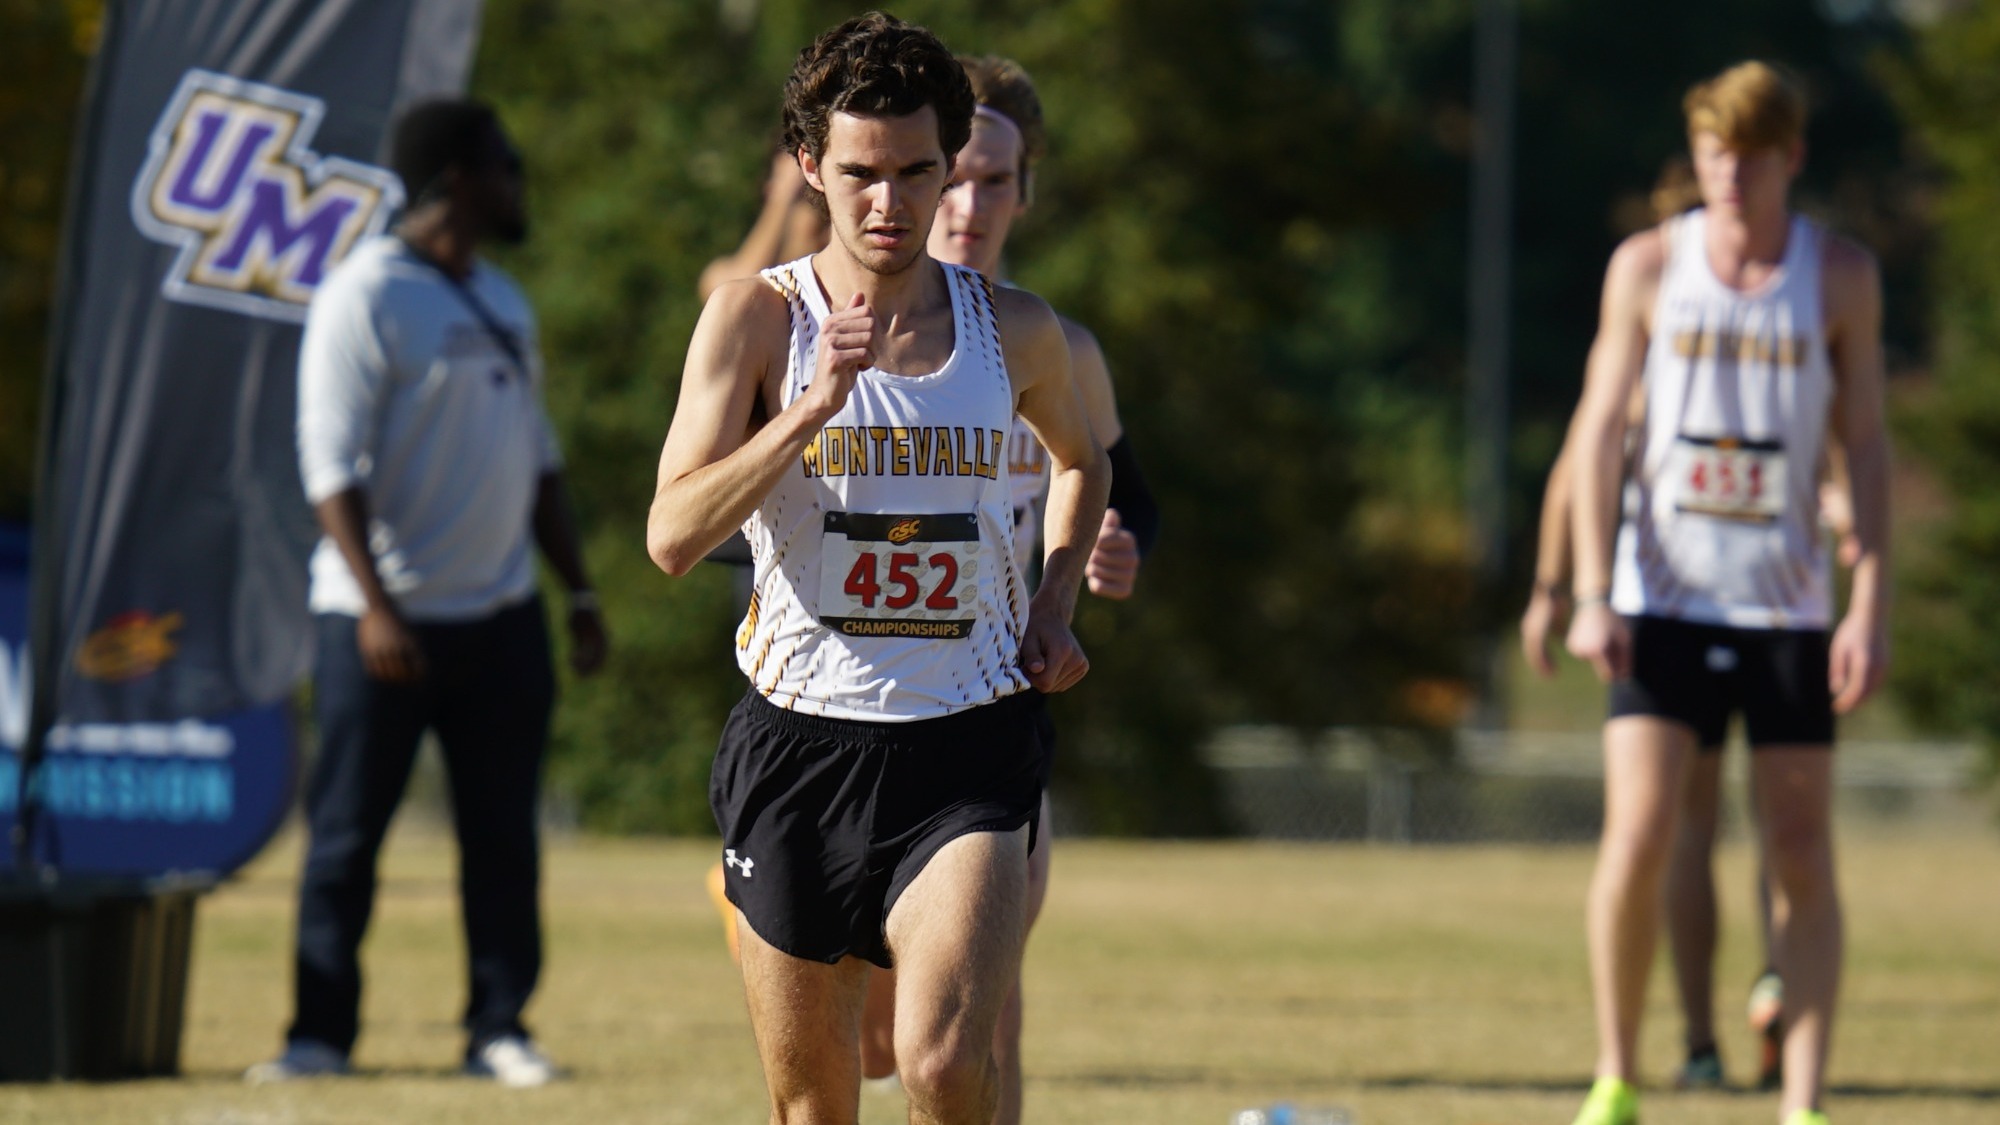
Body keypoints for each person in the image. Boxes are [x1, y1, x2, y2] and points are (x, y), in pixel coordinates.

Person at [646, 14, 1109, 1125]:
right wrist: (807, 411)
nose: (888, 203)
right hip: (798, 744)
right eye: (860, 173)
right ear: (811, 166)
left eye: (913, 170)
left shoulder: (1016, 330)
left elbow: (1082, 461)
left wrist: (1054, 601)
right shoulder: (755, 320)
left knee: (943, 1063)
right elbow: (671, 535)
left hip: (967, 737)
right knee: (818, 1099)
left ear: (948, 164)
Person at [248, 99, 608, 1088]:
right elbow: (327, 465)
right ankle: (319, 1035)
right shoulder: (364, 295)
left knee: (501, 841)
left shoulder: (503, 299)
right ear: (458, 177)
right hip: (382, 625)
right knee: (345, 838)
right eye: (506, 164)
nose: (518, 182)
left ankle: (498, 1028)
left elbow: (539, 460)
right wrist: (375, 605)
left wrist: (579, 592)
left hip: (500, 616)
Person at [1562, 61, 1889, 1125]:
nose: (1729, 177)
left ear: (1791, 157)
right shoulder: (1648, 267)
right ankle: (1615, 1075)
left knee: (1798, 847)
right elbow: (1597, 429)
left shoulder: (1838, 276)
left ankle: (1803, 1100)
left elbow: (1866, 441)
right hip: (1660, 597)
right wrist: (1587, 591)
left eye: (1749, 157)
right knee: (1641, 831)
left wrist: (1869, 599)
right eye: (1712, 154)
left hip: (1786, 606)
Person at [849, 54, 1159, 1125]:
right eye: (957, 176)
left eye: (997, 180)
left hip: (993, 705)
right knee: (875, 1044)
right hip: (842, 711)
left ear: (1025, 192)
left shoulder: (1053, 346)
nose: (971, 205)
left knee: (981, 1020)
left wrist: (1113, 551)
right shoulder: (829, 329)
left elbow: (1124, 490)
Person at [1522, 156, 1795, 1095]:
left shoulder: (1703, 357)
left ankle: (1708, 1036)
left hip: (1726, 603)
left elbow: (1570, 468)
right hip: (1678, 605)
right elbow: (1580, 462)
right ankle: (1760, 991)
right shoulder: (1652, 352)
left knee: (1698, 829)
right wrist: (1560, 587)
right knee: (1756, 825)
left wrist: (1550, 588)